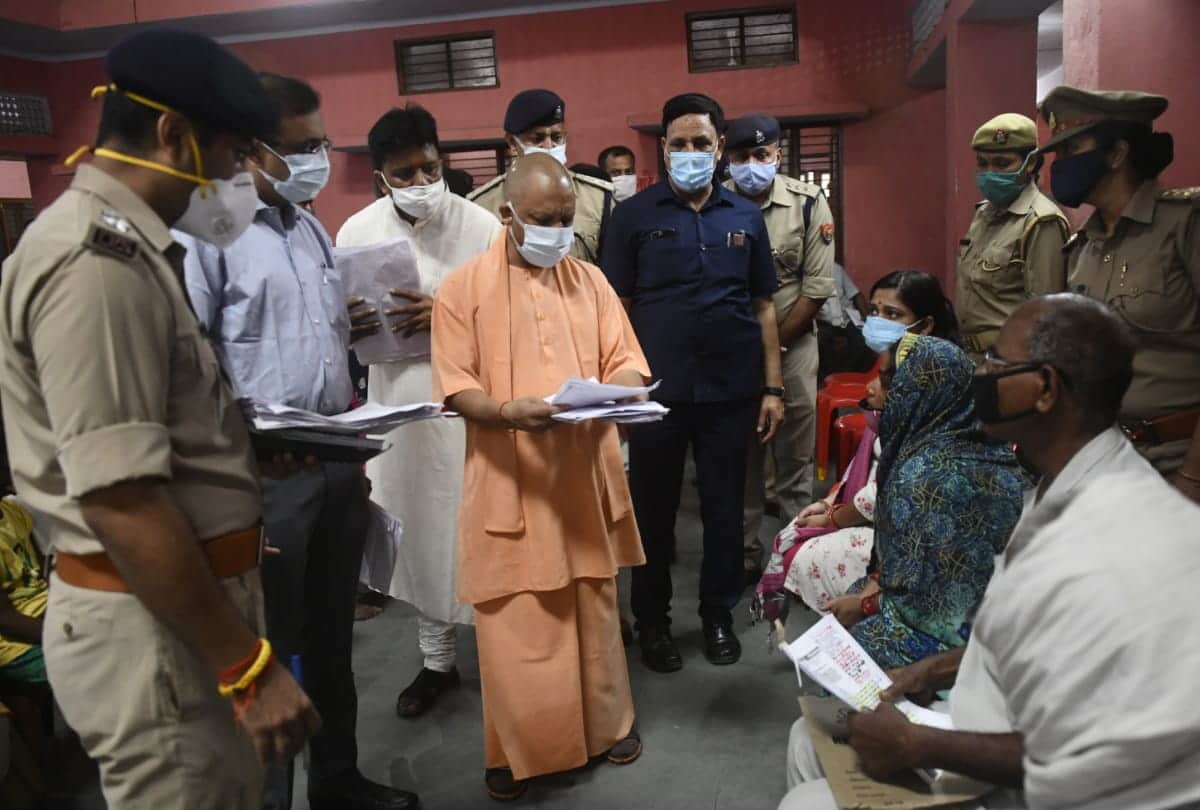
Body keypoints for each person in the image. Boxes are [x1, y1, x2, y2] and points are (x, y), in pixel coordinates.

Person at [0, 29, 318, 809]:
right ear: (173, 135)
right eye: (236, 151)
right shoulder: (94, 267)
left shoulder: (136, 251)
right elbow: (120, 499)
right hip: (157, 637)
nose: (244, 174)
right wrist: (246, 666)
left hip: (178, 616)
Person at [784, 294, 1200, 810]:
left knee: (805, 803)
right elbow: (1026, 644)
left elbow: (1098, 759)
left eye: (996, 362)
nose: (978, 373)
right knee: (809, 741)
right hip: (981, 717)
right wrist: (928, 671)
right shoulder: (1052, 485)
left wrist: (920, 743)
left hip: (1032, 786)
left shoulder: (1113, 543)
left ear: (1044, 389)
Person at [181, 75, 416, 810]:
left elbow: (320, 348)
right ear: (249, 150)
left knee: (331, 649)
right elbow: (190, 370)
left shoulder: (309, 227)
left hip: (333, 461)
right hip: (262, 480)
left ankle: (338, 781)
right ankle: (270, 799)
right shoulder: (207, 232)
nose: (316, 157)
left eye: (321, 141)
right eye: (300, 147)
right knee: (268, 657)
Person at [431, 153, 646, 801]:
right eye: (543, 220)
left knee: (594, 606)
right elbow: (456, 386)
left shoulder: (592, 282)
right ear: (507, 215)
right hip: (509, 480)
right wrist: (506, 413)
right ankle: (516, 749)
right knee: (518, 622)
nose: (558, 231)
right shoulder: (460, 290)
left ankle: (609, 727)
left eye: (565, 220)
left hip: (584, 474)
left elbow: (628, 362)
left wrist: (615, 394)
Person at [602, 93, 785, 673]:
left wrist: (774, 388)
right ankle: (653, 621)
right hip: (655, 394)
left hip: (732, 390)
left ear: (719, 147)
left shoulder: (744, 216)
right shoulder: (633, 216)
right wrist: (619, 387)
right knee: (652, 513)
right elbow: (617, 307)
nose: (689, 153)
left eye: (700, 143)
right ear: (663, 147)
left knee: (725, 511)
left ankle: (716, 614)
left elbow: (763, 307)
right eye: (678, 144)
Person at [336, 104, 501, 719]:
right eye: (402, 174)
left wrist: (448, 315)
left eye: (428, 168)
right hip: (400, 407)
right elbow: (341, 326)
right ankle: (437, 663)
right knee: (423, 535)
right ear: (380, 176)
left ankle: (507, 658)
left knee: (480, 531)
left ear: (443, 160)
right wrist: (344, 321)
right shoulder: (356, 232)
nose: (419, 184)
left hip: (473, 408)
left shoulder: (483, 227)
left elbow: (513, 319)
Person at [824, 334, 1025, 669]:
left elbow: (917, 605)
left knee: (842, 652)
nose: (873, 389)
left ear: (915, 393)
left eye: (891, 381)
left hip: (958, 647)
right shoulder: (997, 454)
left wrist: (863, 607)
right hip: (1013, 628)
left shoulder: (917, 479)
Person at [1037, 86, 1200, 488]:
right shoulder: (1082, 247)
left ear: (1116, 153)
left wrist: (1193, 477)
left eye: (1072, 148)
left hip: (1177, 459)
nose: (1059, 165)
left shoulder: (1184, 225)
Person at [724, 113, 835, 584]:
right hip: (732, 352)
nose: (752, 165)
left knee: (795, 453)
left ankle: (796, 549)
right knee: (741, 454)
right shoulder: (715, 204)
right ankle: (745, 549)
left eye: (761, 156)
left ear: (777, 155)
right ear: (728, 158)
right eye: (742, 157)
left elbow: (816, 288)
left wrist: (775, 346)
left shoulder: (809, 203)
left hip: (796, 342)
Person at [955, 113, 1068, 360]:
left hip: (1009, 360)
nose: (990, 173)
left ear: (1031, 163)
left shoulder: (1041, 221)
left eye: (1002, 163)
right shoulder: (985, 213)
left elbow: (1044, 315)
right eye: (982, 164)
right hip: (971, 356)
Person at [470, 88, 612, 262]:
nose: (549, 146)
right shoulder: (481, 205)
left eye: (556, 137)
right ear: (512, 142)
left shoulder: (598, 199)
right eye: (537, 138)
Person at [815, 262, 873, 380]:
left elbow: (856, 294)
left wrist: (869, 320)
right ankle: (827, 378)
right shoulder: (806, 274)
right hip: (824, 321)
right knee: (820, 340)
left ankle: (846, 375)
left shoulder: (836, 269)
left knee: (863, 339)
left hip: (847, 319)